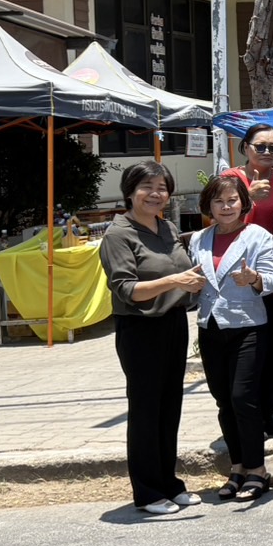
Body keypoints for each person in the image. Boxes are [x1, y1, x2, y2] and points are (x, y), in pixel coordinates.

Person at [99, 162, 207, 515]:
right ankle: (147, 492)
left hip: (174, 324)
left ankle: (169, 483)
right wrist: (175, 282)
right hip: (140, 329)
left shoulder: (167, 226)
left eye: (162, 187)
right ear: (130, 191)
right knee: (146, 410)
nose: (156, 193)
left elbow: (180, 268)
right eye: (147, 186)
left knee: (169, 408)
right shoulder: (118, 234)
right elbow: (127, 289)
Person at [190, 175, 273, 501]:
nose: (226, 207)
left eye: (232, 201)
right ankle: (238, 467)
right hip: (210, 327)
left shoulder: (258, 236)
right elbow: (195, 281)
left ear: (244, 203)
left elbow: (272, 279)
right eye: (218, 201)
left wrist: (253, 278)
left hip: (248, 326)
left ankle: (258, 470)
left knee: (244, 398)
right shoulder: (199, 238)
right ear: (208, 205)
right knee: (224, 402)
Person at [223, 123, 273, 438]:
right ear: (246, 147)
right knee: (243, 353)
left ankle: (269, 411)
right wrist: (247, 199)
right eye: (261, 146)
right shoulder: (229, 181)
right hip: (238, 279)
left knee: (269, 351)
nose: (267, 152)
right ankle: (244, 414)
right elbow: (220, 226)